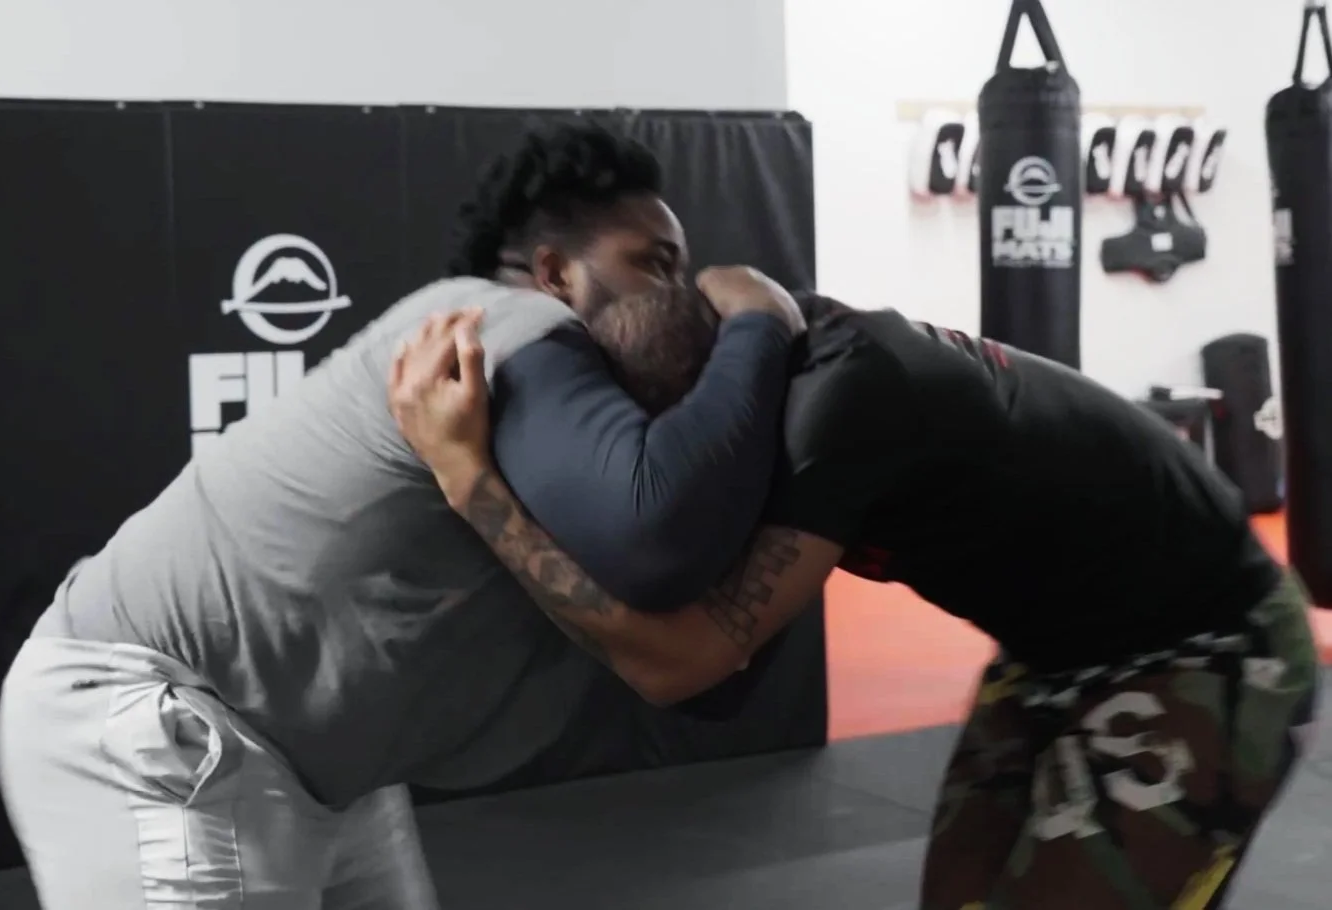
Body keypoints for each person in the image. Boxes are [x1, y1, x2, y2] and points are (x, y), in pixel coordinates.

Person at [0, 121, 804, 909]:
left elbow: (699, 669)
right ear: (555, 273)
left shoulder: (588, 439)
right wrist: (762, 319)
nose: (679, 297)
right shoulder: (490, 323)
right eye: (653, 265)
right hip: (160, 722)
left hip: (329, 771)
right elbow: (658, 532)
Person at [391, 292, 1319, 910]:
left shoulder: (838, 408)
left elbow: (679, 665)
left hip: (1212, 644)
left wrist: (463, 472)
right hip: (1056, 648)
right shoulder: (749, 381)